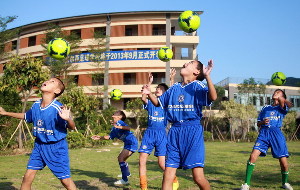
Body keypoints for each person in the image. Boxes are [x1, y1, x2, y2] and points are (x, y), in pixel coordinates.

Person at [142, 60, 217, 190]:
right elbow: (158, 103)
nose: (185, 63)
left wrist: (207, 76)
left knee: (198, 177)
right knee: (168, 174)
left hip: (192, 131)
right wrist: (149, 94)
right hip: (174, 131)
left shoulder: (197, 85)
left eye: (190, 63)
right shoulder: (174, 88)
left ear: (196, 72)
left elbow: (213, 97)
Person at [0, 78, 77, 190]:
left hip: (56, 148)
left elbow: (72, 127)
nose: (48, 81)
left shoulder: (57, 108)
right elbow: (26, 116)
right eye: (48, 80)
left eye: (52, 82)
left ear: (56, 91)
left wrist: (68, 119)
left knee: (65, 181)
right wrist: (5, 113)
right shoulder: (36, 105)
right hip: (39, 146)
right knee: (27, 176)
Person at [240, 89, 294, 190]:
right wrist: (263, 122)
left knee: (283, 162)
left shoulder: (282, 107)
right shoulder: (265, 107)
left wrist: (282, 98)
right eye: (275, 92)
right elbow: (258, 123)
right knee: (252, 156)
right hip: (264, 133)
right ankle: (246, 184)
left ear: (282, 97)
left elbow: (286, 103)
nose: (275, 93)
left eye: (278, 92)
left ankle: (285, 183)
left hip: (276, 134)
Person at [139, 72, 179, 190]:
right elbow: (143, 97)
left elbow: (172, 92)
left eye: (160, 88)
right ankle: (143, 187)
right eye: (157, 88)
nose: (157, 89)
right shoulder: (151, 102)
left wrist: (171, 79)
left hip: (162, 134)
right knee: (142, 160)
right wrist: (149, 83)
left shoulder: (167, 104)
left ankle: (174, 179)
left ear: (165, 92)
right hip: (149, 133)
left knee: (161, 164)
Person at [91, 110, 138, 185]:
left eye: (115, 114)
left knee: (120, 158)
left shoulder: (120, 122)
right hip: (127, 143)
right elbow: (109, 137)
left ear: (120, 117)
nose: (113, 115)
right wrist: (100, 137)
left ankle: (125, 180)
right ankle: (126, 173)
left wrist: (118, 126)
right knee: (122, 159)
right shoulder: (114, 128)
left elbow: (128, 128)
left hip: (131, 142)